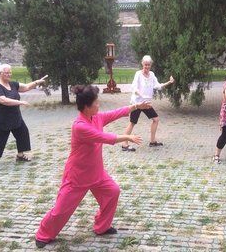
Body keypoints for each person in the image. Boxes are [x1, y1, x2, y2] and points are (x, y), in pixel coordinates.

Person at [35, 85, 150, 248]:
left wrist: (137, 106)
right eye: (96, 102)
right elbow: (102, 137)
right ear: (87, 106)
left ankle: (102, 227)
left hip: (96, 173)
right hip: (77, 176)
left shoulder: (96, 117)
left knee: (113, 192)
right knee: (60, 211)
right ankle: (43, 234)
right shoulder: (79, 126)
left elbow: (115, 113)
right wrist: (127, 137)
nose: (99, 105)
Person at [0, 64, 47, 168]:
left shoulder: (12, 84)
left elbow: (25, 87)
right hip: (2, 118)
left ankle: (20, 155)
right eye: (6, 73)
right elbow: (2, 100)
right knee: (0, 138)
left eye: (10, 72)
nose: (9, 74)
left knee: (23, 133)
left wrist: (37, 82)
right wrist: (19, 102)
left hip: (15, 116)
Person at [121, 55, 174, 151]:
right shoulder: (138, 74)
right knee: (132, 123)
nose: (147, 67)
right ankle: (124, 144)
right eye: (145, 65)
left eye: (149, 65)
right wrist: (140, 94)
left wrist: (169, 82)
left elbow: (158, 86)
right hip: (137, 103)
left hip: (146, 104)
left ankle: (153, 141)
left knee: (156, 119)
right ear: (142, 64)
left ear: (151, 65)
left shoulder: (152, 75)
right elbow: (134, 87)